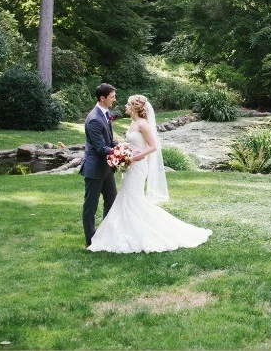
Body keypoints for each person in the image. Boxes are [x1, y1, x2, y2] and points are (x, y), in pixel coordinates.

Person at [88, 94, 212, 253]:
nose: (125, 106)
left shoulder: (143, 124)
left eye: (127, 104)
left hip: (138, 167)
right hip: (131, 166)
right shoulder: (133, 123)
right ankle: (125, 232)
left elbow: (153, 146)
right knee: (126, 197)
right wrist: (122, 150)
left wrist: (134, 157)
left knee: (134, 198)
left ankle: (147, 232)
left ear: (135, 107)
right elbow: (134, 143)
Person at [80, 83, 119, 248]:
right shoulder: (94, 119)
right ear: (102, 98)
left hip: (107, 168)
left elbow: (108, 140)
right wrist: (120, 153)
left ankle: (105, 233)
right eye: (112, 97)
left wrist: (119, 145)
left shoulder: (105, 113)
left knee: (112, 201)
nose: (114, 100)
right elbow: (100, 148)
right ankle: (90, 239)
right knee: (90, 206)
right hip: (95, 168)